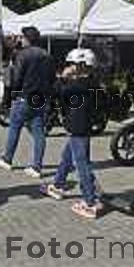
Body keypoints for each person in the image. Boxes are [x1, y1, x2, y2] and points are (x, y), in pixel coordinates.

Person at [39, 48, 103, 219]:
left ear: (81, 66)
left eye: (73, 64)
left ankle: (90, 201)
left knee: (82, 163)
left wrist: (62, 77)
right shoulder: (92, 82)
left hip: (77, 127)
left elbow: (55, 91)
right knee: (68, 156)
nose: (71, 67)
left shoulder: (77, 85)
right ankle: (58, 185)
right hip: (83, 126)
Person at [0, 26, 56, 177]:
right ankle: (36, 167)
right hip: (41, 98)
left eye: (22, 37)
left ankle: (7, 158)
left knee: (14, 127)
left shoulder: (23, 55)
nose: (20, 39)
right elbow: (52, 79)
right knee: (39, 132)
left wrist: (9, 97)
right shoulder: (47, 55)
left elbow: (17, 78)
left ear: (27, 38)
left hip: (24, 97)